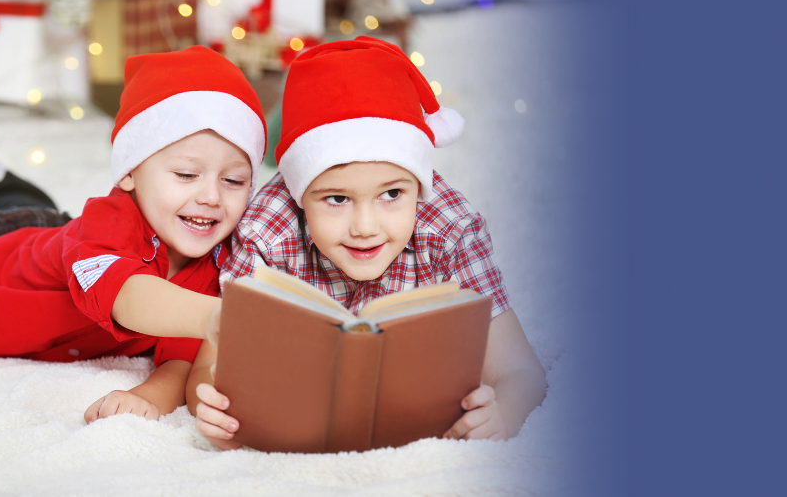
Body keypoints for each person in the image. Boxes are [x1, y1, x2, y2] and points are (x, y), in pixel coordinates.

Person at [0, 46, 269, 423]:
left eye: (234, 181)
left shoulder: (218, 262)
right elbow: (129, 296)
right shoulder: (110, 223)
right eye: (187, 174)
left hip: (51, 232)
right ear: (129, 173)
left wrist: (146, 399)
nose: (211, 196)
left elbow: (181, 360)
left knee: (30, 212)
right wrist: (218, 315)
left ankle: (0, 178)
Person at [185, 37, 548, 449]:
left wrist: (502, 415)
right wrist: (219, 414)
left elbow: (521, 372)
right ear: (300, 195)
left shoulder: (451, 229)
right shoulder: (266, 233)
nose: (365, 227)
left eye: (392, 194)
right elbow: (208, 368)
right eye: (337, 199)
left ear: (417, 186)